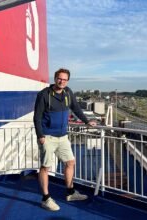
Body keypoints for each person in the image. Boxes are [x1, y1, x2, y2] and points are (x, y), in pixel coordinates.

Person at [33, 68, 96, 211]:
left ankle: (70, 192)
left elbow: (76, 108)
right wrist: (40, 135)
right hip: (47, 136)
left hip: (62, 136)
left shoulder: (68, 93)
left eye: (65, 79)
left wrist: (86, 121)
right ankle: (46, 199)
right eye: (59, 78)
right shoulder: (44, 95)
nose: (62, 81)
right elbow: (37, 117)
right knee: (45, 167)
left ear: (67, 80)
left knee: (70, 162)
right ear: (55, 78)